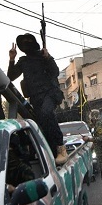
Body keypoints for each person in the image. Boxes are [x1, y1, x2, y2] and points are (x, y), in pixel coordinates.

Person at [8, 34, 67, 165]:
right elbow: (11, 76)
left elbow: (55, 72)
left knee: (47, 113)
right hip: (36, 98)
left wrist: (48, 57)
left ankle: (60, 147)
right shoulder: (23, 61)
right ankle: (51, 153)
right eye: (24, 42)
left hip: (50, 94)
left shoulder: (43, 56)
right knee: (42, 125)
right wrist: (12, 59)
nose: (26, 44)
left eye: (29, 41)